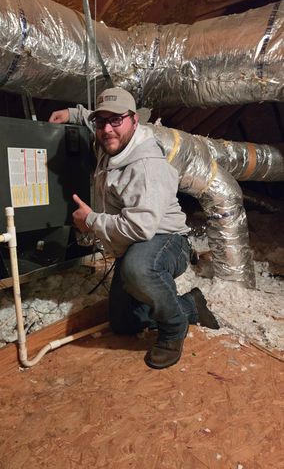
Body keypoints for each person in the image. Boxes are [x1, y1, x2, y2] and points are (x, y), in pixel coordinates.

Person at [49, 87, 219, 369]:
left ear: (134, 121)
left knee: (138, 269)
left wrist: (91, 220)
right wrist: (73, 113)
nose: (107, 129)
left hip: (167, 241)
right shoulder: (110, 139)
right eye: (101, 122)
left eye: (116, 120)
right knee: (124, 323)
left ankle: (174, 329)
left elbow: (139, 229)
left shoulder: (146, 166)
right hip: (135, 244)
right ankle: (190, 306)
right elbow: (100, 119)